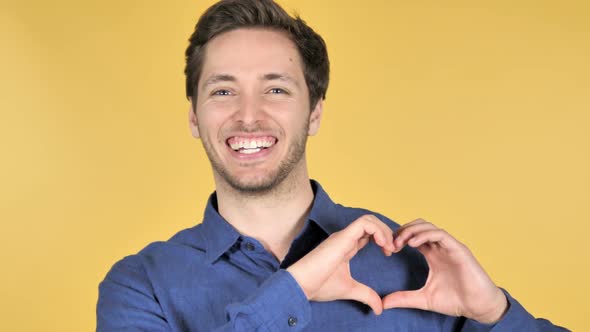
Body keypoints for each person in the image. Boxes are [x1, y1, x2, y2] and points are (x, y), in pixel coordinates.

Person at [97, 0, 569, 331]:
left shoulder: (411, 265)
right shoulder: (141, 285)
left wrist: (495, 314)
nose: (248, 114)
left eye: (276, 89)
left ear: (315, 112)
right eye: (223, 91)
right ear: (194, 117)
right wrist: (293, 291)